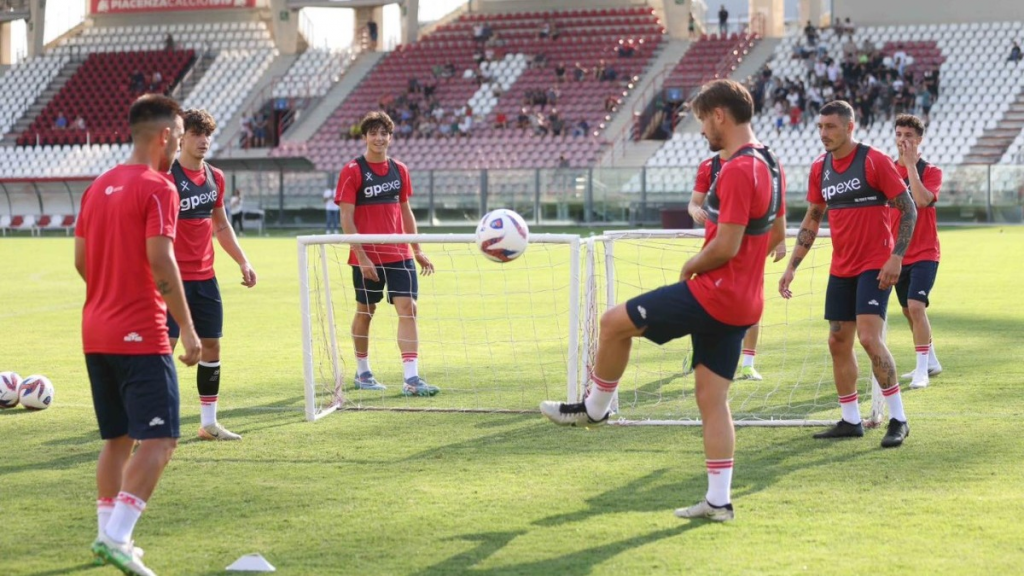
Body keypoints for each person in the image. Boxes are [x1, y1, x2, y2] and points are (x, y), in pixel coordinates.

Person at [540, 80, 786, 523]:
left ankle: (594, 409)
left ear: (719, 116)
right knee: (712, 400)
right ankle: (718, 501)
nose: (701, 132)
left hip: (716, 292)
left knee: (614, 323)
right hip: (746, 300)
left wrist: (693, 264)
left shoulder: (736, 169)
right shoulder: (770, 163)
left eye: (701, 122)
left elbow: (727, 245)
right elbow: (778, 234)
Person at [75, 94, 200, 576]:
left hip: (95, 329)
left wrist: (109, 292)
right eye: (178, 136)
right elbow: (161, 258)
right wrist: (186, 327)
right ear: (167, 135)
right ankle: (119, 536)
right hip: (140, 331)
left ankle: (108, 534)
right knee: (163, 440)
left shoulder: (97, 185)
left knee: (117, 437)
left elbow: (81, 262)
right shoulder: (159, 187)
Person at [778, 100, 917, 448]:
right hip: (841, 267)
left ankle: (898, 418)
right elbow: (813, 217)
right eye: (820, 127)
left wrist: (896, 257)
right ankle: (850, 420)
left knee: (869, 339)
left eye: (831, 127)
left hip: (875, 265)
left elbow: (908, 208)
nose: (824, 134)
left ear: (850, 127)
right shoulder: (818, 168)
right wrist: (792, 266)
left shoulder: (873, 160)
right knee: (837, 341)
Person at [334, 111, 439, 396]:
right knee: (366, 311)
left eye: (384, 133)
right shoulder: (353, 170)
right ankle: (363, 371)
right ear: (365, 136)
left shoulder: (400, 170)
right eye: (373, 133)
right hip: (366, 256)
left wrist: (416, 248)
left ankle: (411, 378)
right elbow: (346, 217)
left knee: (409, 309)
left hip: (400, 254)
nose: (379, 138)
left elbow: (405, 210)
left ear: (390, 137)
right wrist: (362, 256)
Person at [169, 108, 258, 441]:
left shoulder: (215, 177)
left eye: (207, 134)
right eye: (196, 133)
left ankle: (208, 424)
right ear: (181, 138)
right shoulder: (166, 176)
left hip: (205, 278)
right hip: (170, 280)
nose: (204, 140)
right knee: (163, 352)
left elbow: (220, 224)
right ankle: (148, 423)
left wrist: (243, 261)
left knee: (212, 347)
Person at [689, 149, 787, 381]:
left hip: (751, 245)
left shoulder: (760, 164)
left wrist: (780, 239)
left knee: (750, 302)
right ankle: (699, 353)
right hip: (715, 247)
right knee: (705, 302)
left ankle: (748, 364)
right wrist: (695, 212)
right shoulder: (708, 166)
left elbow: (775, 206)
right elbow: (693, 203)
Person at [892, 114, 943, 389]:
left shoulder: (931, 171)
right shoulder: (886, 169)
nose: (903, 140)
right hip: (897, 254)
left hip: (925, 252)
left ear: (919, 139)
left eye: (909, 136)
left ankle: (922, 369)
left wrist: (911, 166)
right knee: (907, 311)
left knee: (915, 306)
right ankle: (931, 360)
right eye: (899, 134)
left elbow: (922, 201)